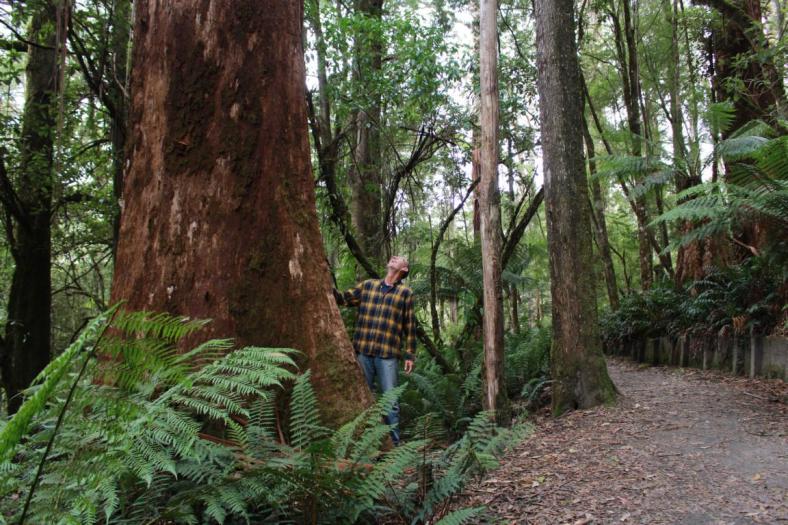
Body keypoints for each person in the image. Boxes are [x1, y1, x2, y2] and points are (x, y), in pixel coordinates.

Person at [333, 255, 416, 445]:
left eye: (399, 259)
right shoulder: (368, 285)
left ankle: (394, 447)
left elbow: (409, 325)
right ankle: (362, 443)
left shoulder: (405, 293)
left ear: (404, 270)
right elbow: (343, 299)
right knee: (362, 398)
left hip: (387, 355)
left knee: (390, 402)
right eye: (393, 257)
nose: (394, 258)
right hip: (364, 351)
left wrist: (410, 354)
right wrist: (325, 284)